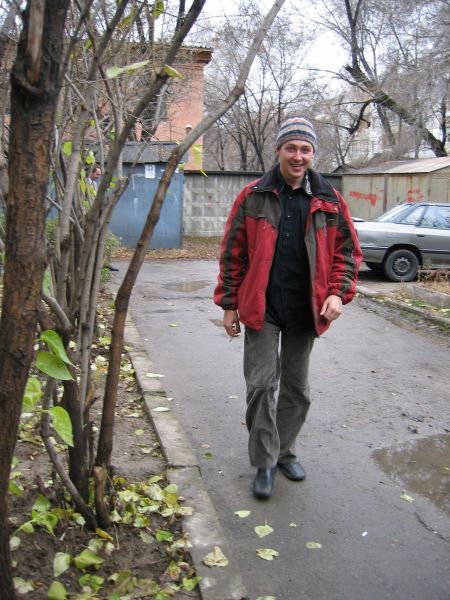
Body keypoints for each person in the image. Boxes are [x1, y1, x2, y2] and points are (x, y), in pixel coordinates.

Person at [214, 117, 362, 499]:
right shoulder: (254, 196)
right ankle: (265, 461)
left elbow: (347, 253)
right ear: (279, 150)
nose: (298, 156)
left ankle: (284, 451)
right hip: (261, 307)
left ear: (313, 153)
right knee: (261, 386)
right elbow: (232, 254)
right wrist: (229, 305)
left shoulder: (330, 200)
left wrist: (337, 293)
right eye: (291, 148)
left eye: (305, 149)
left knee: (297, 389)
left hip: (306, 310)